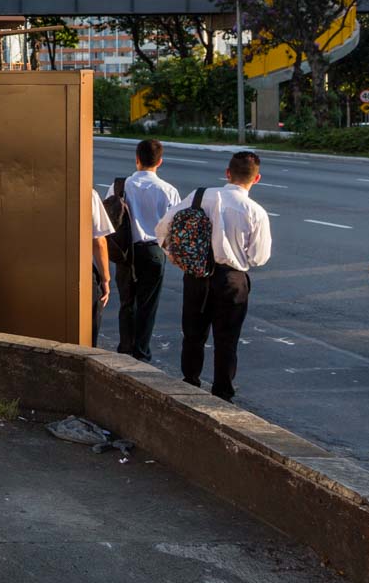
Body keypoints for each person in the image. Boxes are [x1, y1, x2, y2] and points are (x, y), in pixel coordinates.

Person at [158, 150, 271, 402]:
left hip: (196, 275)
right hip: (232, 280)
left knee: (193, 334)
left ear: (227, 173)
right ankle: (222, 391)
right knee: (227, 339)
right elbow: (259, 257)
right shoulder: (255, 211)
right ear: (257, 178)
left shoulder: (199, 196)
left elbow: (163, 227)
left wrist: (177, 258)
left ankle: (189, 383)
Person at [106, 139, 181, 362]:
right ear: (160, 162)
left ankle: (125, 348)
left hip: (125, 250)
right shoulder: (168, 190)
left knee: (126, 301)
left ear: (137, 159)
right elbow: (172, 227)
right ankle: (141, 352)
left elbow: (109, 219)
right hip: (153, 251)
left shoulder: (119, 186)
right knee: (148, 305)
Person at [89, 189, 114, 346]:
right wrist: (105, 278)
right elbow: (99, 241)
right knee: (88, 326)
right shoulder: (88, 193)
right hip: (81, 268)